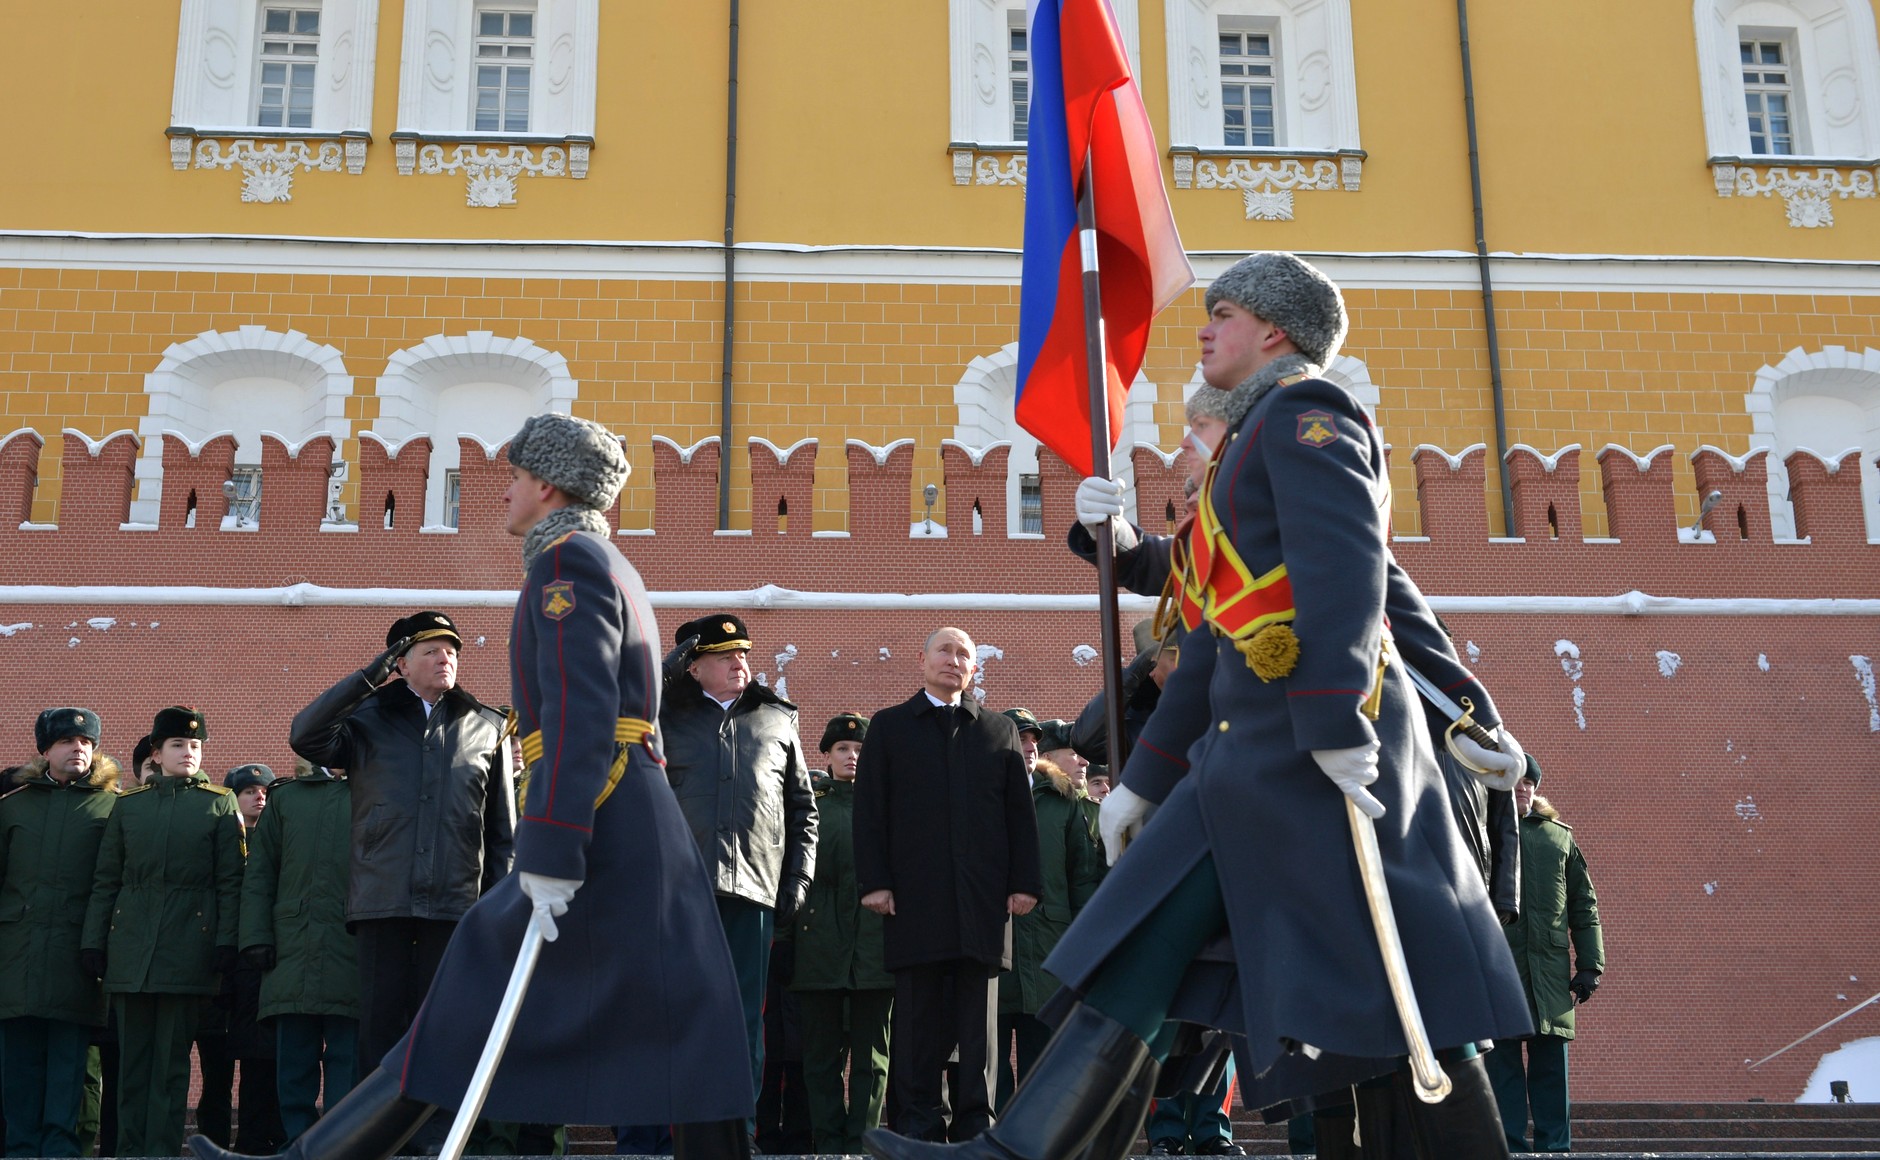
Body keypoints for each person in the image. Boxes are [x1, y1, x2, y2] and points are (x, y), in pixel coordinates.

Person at [864, 252, 1531, 1160]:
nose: (1205, 330)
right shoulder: (1252, 447)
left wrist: (1349, 718)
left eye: (1222, 314)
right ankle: (1022, 1150)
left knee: (1394, 969)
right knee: (1149, 939)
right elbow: (1214, 622)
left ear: (1275, 332)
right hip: (1249, 764)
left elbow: (1354, 577)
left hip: (1308, 759)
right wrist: (1144, 779)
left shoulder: (1306, 415)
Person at [189, 411, 755, 1160]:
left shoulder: (568, 566)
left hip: (597, 815)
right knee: (683, 1005)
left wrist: (552, 846)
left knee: (469, 998)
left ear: (548, 486)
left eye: (516, 476)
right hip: (629, 817)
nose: (505, 492)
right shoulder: (608, 561)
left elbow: (582, 714)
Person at [288, 608, 515, 1079]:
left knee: (445, 1025)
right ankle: (378, 1142)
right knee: (379, 1029)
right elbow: (305, 735)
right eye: (431, 651)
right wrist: (364, 682)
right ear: (401, 664)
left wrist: (496, 907)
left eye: (451, 651)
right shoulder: (367, 718)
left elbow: (501, 832)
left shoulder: (486, 726)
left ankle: (435, 1142)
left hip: (456, 904)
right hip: (382, 898)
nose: (445, 659)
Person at [852, 627, 1043, 1144]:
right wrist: (875, 882)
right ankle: (917, 1125)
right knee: (916, 1021)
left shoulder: (997, 730)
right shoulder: (890, 728)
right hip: (913, 898)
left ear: (974, 669)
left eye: (965, 655)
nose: (954, 661)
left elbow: (1019, 817)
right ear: (922, 660)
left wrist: (1024, 882)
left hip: (982, 901)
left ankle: (977, 1127)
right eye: (945, 651)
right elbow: (870, 812)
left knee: (980, 1026)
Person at [659, 611, 818, 1137]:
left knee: (744, 1020)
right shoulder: (663, 717)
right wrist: (664, 675)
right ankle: (677, 1130)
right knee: (676, 1013)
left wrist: (796, 879)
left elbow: (803, 811)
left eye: (743, 655)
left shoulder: (777, 719)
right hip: (678, 894)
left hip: (753, 890)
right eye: (724, 657)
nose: (739, 664)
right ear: (692, 665)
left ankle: (736, 1133)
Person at [82, 707, 245, 1158]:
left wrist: (225, 942)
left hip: (188, 952)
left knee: (172, 1066)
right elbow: (106, 880)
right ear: (156, 753)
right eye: (178, 745)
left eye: (195, 746)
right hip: (131, 950)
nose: (188, 753)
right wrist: (93, 941)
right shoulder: (128, 808)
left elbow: (231, 883)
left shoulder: (218, 802)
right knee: (132, 1065)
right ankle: (131, 1151)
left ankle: (160, 1152)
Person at [0, 708, 119, 1157]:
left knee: (69, 1066)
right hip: (17, 956)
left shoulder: (113, 808)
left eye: (86, 742)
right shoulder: (14, 807)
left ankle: (60, 1151)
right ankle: (20, 1149)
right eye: (68, 741)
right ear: (46, 750)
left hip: (78, 957)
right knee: (19, 1066)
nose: (78, 749)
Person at [1485, 757, 1604, 1154]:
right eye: (1515, 781)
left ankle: (1555, 1148)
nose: (1523, 788)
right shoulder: (1484, 832)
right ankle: (1511, 1147)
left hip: (1550, 971)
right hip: (1499, 967)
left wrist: (1589, 965)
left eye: (1529, 782)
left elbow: (1583, 904)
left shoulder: (1558, 838)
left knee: (1551, 1066)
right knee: (1501, 1067)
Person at [789, 713, 894, 1155]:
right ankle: (829, 1144)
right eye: (844, 750)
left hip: (875, 945)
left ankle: (862, 1144)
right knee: (821, 1058)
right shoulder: (812, 804)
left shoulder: (891, 807)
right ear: (827, 756)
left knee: (873, 1059)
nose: (853, 757)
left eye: (860, 751)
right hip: (819, 945)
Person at [239, 759, 359, 1143]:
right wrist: (256, 936)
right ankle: (298, 1144)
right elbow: (260, 873)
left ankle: (342, 1145)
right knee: (293, 1062)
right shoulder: (286, 798)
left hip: (352, 947)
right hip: (291, 948)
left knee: (349, 1061)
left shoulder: (375, 790)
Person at [995, 710, 1103, 1111]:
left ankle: (1037, 1139)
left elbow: (1082, 877)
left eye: (1033, 740)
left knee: (1045, 1059)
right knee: (990, 1062)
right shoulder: (982, 797)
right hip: (995, 948)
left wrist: (1084, 945)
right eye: (1020, 738)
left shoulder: (1063, 802)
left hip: (1050, 949)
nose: (1029, 746)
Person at [197, 764, 286, 1156]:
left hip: (260, 971)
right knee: (217, 1071)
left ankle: (258, 1138)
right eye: (248, 791)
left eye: (264, 790)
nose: (259, 796)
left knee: (262, 1063)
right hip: (222, 970)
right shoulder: (220, 843)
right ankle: (215, 1141)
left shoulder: (282, 842)